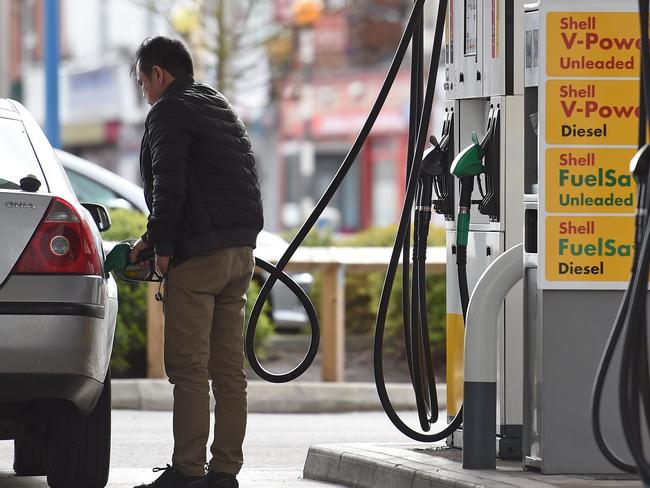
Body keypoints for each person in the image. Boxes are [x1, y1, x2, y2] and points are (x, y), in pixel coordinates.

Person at [130, 36, 264, 488]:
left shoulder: (167, 110)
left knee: (188, 369)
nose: (143, 89)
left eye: (142, 79)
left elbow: (170, 184)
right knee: (228, 370)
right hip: (239, 254)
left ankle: (187, 471)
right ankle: (225, 471)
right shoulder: (216, 103)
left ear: (158, 74)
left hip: (198, 256)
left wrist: (160, 246)